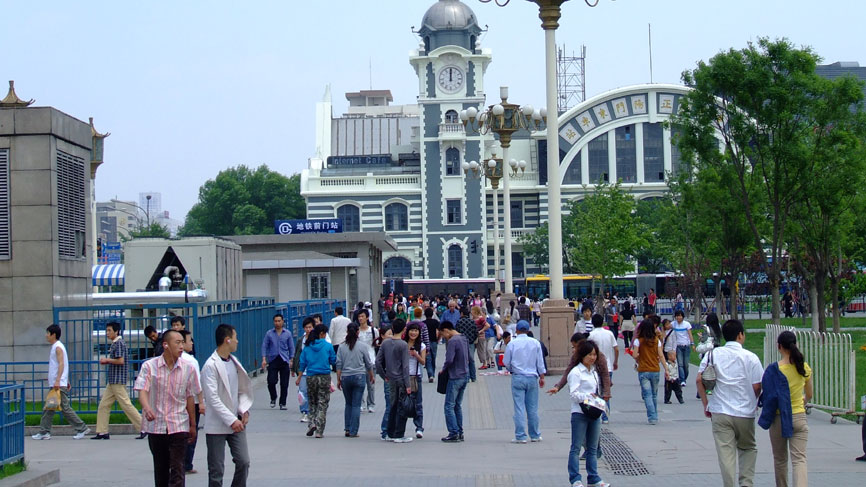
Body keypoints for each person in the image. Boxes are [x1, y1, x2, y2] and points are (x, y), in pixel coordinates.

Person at [696, 319, 763, 487]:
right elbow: (757, 385)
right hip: (745, 413)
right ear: (740, 335)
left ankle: (729, 484)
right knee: (748, 448)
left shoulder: (712, 354)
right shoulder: (751, 358)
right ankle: (746, 483)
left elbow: (699, 379)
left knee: (726, 453)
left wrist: (706, 404)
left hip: (720, 411)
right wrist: (752, 399)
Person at [135, 330, 200, 487]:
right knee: (161, 469)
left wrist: (193, 424)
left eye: (182, 343)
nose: (181, 346)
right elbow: (142, 390)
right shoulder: (149, 366)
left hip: (179, 424)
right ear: (165, 345)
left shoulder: (188, 368)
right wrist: (147, 407)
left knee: (178, 468)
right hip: (156, 426)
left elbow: (190, 397)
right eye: (177, 342)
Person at [758, 331, 812, 487]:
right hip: (799, 417)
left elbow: (767, 394)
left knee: (780, 459)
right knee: (799, 459)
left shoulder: (774, 370)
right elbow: (809, 394)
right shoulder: (804, 367)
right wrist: (803, 400)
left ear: (779, 346)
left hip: (779, 418)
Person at [200, 324, 251, 487]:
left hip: (236, 422)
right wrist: (231, 420)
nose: (237, 341)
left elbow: (241, 390)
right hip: (217, 424)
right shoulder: (210, 365)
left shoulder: (234, 362)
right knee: (216, 470)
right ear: (227, 340)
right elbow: (212, 398)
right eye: (235, 338)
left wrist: (243, 410)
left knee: (243, 461)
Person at [32, 324, 91, 441]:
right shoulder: (57, 346)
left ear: (53, 335)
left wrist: (59, 380)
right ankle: (44, 431)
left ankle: (81, 428)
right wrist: (65, 380)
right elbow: (63, 364)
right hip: (58, 383)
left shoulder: (58, 347)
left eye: (47, 333)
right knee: (49, 408)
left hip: (57, 385)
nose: (46, 336)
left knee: (64, 408)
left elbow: (61, 364)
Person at [567, 340, 610, 487]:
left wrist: (598, 400)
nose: (592, 357)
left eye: (594, 354)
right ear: (582, 355)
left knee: (592, 448)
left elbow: (596, 391)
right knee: (576, 448)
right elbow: (573, 394)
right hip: (579, 413)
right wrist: (588, 398)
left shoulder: (594, 372)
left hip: (594, 413)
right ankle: (575, 478)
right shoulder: (576, 372)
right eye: (589, 354)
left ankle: (594, 477)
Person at [92, 321, 142, 440]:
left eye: (109, 330)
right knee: (104, 405)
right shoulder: (116, 343)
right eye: (107, 330)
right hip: (113, 380)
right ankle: (102, 431)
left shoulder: (118, 343)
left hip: (117, 379)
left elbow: (121, 361)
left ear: (116, 331)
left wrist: (107, 360)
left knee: (126, 404)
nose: (107, 333)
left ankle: (144, 427)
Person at [503, 321, 546, 443]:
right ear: (528, 330)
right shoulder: (535, 343)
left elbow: (506, 362)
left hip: (518, 377)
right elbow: (540, 362)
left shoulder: (512, 344)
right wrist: (542, 376)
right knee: (532, 407)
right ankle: (535, 434)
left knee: (519, 407)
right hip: (532, 377)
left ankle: (521, 435)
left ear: (516, 330)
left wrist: (512, 369)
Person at [376, 319, 413, 443]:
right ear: (404, 330)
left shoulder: (385, 343)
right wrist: (408, 384)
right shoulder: (403, 345)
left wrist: (384, 375)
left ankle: (389, 433)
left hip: (390, 379)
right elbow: (405, 366)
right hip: (401, 380)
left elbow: (378, 362)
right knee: (401, 408)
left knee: (392, 406)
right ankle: (399, 434)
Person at [297, 323, 336, 438]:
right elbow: (333, 361)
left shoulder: (308, 347)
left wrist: (299, 377)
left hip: (310, 377)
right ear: (322, 334)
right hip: (324, 376)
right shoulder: (328, 346)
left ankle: (311, 423)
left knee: (312, 401)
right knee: (322, 403)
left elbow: (302, 363)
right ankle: (319, 430)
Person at [336, 323, 375, 438]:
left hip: (346, 377)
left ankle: (347, 428)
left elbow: (339, 364)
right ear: (358, 332)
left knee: (348, 403)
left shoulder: (341, 346)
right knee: (356, 405)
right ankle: (354, 431)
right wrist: (371, 375)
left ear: (347, 332)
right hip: (359, 377)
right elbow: (368, 363)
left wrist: (338, 379)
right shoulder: (362, 346)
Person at [178, 330, 204, 475]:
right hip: (191, 401)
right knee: (191, 431)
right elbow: (197, 385)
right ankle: (187, 463)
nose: (191, 343)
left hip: (176, 402)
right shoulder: (191, 361)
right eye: (189, 340)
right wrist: (201, 402)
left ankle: (176, 462)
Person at [632, 319, 668, 424]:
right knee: (654, 395)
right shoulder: (656, 341)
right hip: (655, 370)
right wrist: (666, 369)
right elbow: (661, 356)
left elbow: (634, 355)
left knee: (647, 395)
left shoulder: (638, 341)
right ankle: (654, 414)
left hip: (643, 370)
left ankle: (652, 417)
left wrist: (639, 358)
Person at [439, 320, 470, 443]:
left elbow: (449, 359)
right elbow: (469, 357)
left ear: (446, 330)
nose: (443, 337)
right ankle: (460, 432)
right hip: (464, 375)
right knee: (457, 405)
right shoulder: (463, 338)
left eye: (442, 334)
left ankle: (453, 432)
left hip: (455, 376)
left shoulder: (452, 341)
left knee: (449, 406)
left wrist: (443, 369)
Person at [588, 314, 618, 424]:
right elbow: (616, 348)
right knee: (606, 390)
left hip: (595, 367)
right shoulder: (609, 333)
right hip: (608, 367)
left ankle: (596, 414)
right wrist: (615, 361)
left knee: (595, 391)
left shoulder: (591, 335)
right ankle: (605, 416)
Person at [261, 313, 294, 410]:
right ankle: (273, 397)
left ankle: (282, 402)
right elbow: (264, 346)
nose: (277, 323)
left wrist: (291, 359)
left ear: (283, 321)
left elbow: (291, 347)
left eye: (279, 321)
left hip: (284, 359)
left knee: (284, 383)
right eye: (275, 321)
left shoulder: (287, 333)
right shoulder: (269, 334)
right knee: (271, 381)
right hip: (273, 359)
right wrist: (264, 358)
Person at [404, 322, 427, 438]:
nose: (413, 333)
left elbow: (423, 362)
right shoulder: (403, 344)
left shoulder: (421, 346)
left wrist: (415, 355)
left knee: (418, 403)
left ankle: (419, 428)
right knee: (403, 403)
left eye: (416, 331)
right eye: (412, 330)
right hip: (404, 377)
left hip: (416, 377)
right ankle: (400, 427)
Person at [291, 318, 315, 423]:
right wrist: (293, 368)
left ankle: (312, 412)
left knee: (313, 392)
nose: (308, 329)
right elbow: (297, 354)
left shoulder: (317, 340)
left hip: (314, 370)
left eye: (310, 327)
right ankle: (305, 412)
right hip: (302, 371)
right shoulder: (301, 340)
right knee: (302, 391)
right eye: (306, 327)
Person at [356, 309, 379, 412]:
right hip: (359, 361)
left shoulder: (373, 331)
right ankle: (361, 403)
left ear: (367, 317)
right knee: (360, 385)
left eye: (362, 316)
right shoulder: (356, 331)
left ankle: (371, 404)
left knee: (371, 385)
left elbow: (377, 344)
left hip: (371, 360)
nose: (360, 318)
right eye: (359, 317)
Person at [661, 319, 684, 405]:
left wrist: (674, 351)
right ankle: (666, 399)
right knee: (668, 389)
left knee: (678, 389)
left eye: (669, 323)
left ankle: (680, 399)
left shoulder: (673, 332)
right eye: (667, 324)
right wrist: (663, 331)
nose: (669, 325)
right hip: (666, 350)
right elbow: (662, 340)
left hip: (672, 349)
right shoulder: (663, 332)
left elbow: (675, 341)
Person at [455, 307, 479, 382]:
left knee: (464, 360)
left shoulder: (459, 322)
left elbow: (456, 332)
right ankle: (473, 376)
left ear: (461, 313)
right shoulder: (472, 322)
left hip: (461, 343)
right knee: (471, 359)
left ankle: (466, 376)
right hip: (470, 342)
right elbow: (476, 332)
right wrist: (472, 339)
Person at [673, 309, 694, 387]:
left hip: (686, 346)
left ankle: (684, 378)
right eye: (677, 316)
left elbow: (690, 334)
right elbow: (667, 327)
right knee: (680, 364)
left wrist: (692, 344)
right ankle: (682, 380)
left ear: (682, 317)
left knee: (686, 365)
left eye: (680, 316)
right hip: (678, 346)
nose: (679, 317)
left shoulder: (686, 324)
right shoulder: (673, 324)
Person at [423, 307, 440, 382]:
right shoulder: (436, 322)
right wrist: (438, 339)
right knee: (433, 357)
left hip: (425, 342)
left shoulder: (423, 323)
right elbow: (440, 330)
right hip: (434, 341)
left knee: (427, 359)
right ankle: (432, 373)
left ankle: (430, 374)